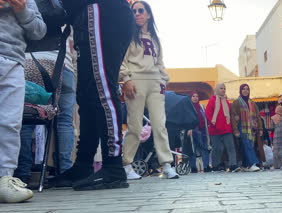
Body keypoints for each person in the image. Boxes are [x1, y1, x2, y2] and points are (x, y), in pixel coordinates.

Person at [59, 0, 135, 190]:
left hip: (101, 11)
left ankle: (113, 166)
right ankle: (83, 165)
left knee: (102, 89)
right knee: (86, 96)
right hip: (91, 14)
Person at [120, 1, 178, 180]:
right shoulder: (127, 35)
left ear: (148, 14)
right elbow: (121, 59)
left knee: (159, 124)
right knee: (135, 125)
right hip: (135, 81)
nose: (137, 13)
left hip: (155, 83)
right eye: (134, 11)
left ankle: (166, 164)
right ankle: (127, 165)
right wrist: (126, 79)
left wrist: (163, 79)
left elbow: (160, 62)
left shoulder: (156, 39)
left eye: (141, 10)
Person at [0, 0, 46, 203]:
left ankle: (5, 177)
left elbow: (39, 31)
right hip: (13, 60)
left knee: (11, 122)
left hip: (15, 61)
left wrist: (22, 10)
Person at [16, 35, 77, 187]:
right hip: (63, 65)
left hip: (30, 63)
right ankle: (64, 171)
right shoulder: (63, 13)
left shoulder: (27, 11)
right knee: (64, 121)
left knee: (27, 119)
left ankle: (23, 174)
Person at [205, 83, 240, 172]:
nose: (223, 90)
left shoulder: (226, 101)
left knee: (231, 147)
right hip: (215, 129)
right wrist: (214, 125)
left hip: (227, 129)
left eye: (224, 88)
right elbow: (208, 114)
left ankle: (233, 165)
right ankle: (215, 165)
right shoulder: (212, 100)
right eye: (221, 88)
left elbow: (229, 114)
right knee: (217, 148)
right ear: (216, 89)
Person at [231, 84, 262, 172]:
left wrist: (260, 129)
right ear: (240, 91)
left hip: (251, 128)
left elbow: (258, 116)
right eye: (243, 89)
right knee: (247, 145)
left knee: (247, 145)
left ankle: (244, 165)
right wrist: (235, 130)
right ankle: (252, 163)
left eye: (247, 89)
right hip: (242, 127)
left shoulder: (252, 103)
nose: (245, 91)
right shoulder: (236, 102)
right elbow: (233, 117)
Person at [188, 92, 211, 173]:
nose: (195, 98)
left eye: (197, 96)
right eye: (193, 96)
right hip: (192, 130)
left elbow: (204, 118)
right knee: (192, 149)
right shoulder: (188, 107)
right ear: (190, 97)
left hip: (202, 130)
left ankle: (206, 166)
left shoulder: (201, 106)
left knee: (204, 148)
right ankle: (193, 167)